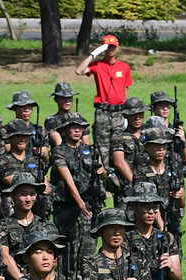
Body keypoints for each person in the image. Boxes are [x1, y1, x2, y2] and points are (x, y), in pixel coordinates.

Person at [49, 112, 106, 268]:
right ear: (64, 130)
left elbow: (104, 175)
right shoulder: (59, 152)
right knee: (68, 255)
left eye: (79, 127)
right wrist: (80, 203)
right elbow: (67, 179)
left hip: (90, 208)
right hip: (68, 210)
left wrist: (102, 171)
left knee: (88, 254)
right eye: (72, 127)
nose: (76, 130)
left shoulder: (91, 150)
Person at [76, 34, 133, 171]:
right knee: (103, 147)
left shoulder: (124, 67)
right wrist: (93, 54)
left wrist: (127, 112)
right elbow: (79, 71)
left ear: (117, 47)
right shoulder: (97, 65)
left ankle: (119, 176)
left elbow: (125, 90)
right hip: (103, 111)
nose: (110, 50)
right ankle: (106, 176)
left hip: (119, 111)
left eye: (113, 46)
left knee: (119, 145)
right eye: (107, 47)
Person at [109, 97, 146, 208]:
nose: (137, 118)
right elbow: (118, 161)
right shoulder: (118, 136)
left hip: (150, 187)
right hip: (127, 190)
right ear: (125, 116)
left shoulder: (149, 134)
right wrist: (136, 184)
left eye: (140, 114)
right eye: (133, 115)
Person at [46, 82, 81, 147]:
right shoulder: (51, 120)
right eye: (63, 98)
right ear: (56, 99)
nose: (67, 101)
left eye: (69, 97)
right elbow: (59, 143)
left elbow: (86, 143)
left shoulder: (79, 118)